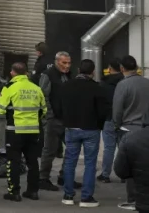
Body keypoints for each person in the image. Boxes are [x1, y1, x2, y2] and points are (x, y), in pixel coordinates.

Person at [54, 58, 110, 207]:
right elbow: (104, 111)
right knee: (90, 163)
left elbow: (58, 107)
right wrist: (98, 125)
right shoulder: (97, 88)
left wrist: (66, 120)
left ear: (78, 70)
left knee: (70, 162)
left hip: (71, 128)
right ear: (93, 72)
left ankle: (68, 195)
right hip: (91, 129)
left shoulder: (66, 86)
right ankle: (86, 198)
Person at [112, 55, 149, 210]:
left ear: (122, 68)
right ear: (137, 67)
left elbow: (117, 110)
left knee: (131, 166)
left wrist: (116, 126)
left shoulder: (122, 85)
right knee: (148, 165)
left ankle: (133, 200)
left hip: (128, 130)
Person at [0, 61, 46, 202]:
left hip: (15, 132)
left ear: (13, 72)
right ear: (26, 73)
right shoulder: (36, 88)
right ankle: (33, 191)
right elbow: (44, 110)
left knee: (13, 161)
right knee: (33, 162)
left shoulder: (9, 87)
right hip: (33, 131)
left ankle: (14, 192)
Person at [38, 51, 74, 190]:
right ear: (57, 61)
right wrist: (49, 116)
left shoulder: (68, 75)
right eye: (64, 63)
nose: (67, 66)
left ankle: (64, 177)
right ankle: (43, 178)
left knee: (71, 148)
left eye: (69, 63)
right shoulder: (48, 75)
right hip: (54, 120)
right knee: (49, 150)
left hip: (67, 119)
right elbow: (43, 97)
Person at [99, 56, 125, 184]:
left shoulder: (103, 84)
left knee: (108, 148)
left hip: (109, 118)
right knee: (123, 148)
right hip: (124, 119)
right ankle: (124, 175)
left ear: (109, 69)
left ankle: (105, 175)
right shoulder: (125, 82)